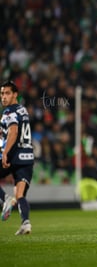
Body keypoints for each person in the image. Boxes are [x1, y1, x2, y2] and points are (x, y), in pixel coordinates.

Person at [0, 80, 34, 235]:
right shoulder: (23, 110)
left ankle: (5, 199)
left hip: (15, 155)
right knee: (20, 194)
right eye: (2, 93)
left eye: (7, 93)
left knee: (15, 194)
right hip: (27, 156)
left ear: (15, 95)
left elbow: (13, 131)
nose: (3, 97)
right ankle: (26, 223)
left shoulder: (9, 112)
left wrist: (5, 152)